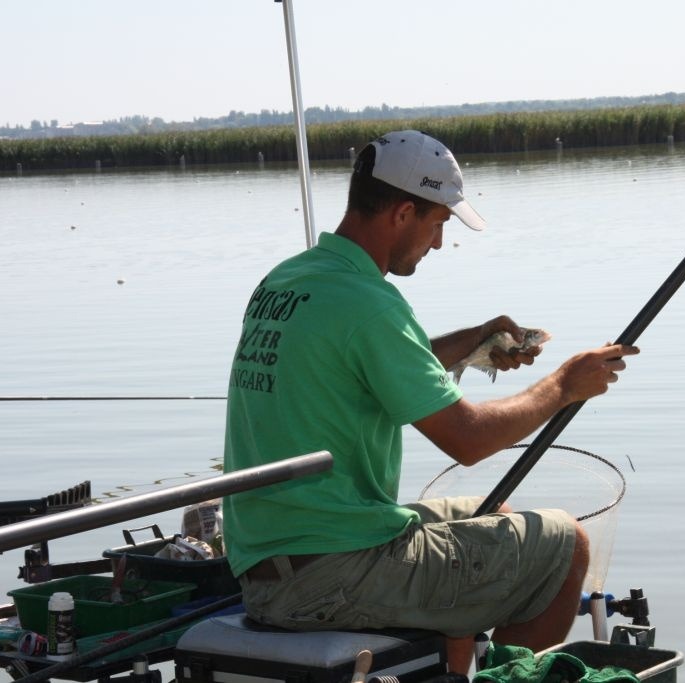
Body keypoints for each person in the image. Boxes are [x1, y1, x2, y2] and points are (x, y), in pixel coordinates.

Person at [222, 130, 639, 673]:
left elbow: (360, 367)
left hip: (268, 558)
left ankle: (455, 667)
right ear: (401, 212)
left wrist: (472, 341)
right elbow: (467, 439)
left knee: (494, 514)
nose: (438, 243)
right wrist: (564, 385)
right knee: (564, 547)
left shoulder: (290, 279)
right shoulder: (370, 303)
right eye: (438, 222)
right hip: (329, 572)